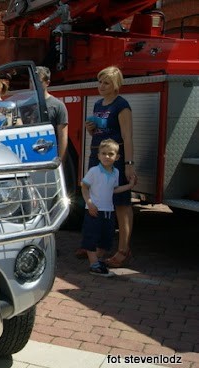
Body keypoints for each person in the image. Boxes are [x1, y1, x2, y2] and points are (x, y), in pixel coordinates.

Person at [83, 66, 136, 268]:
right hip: (97, 157)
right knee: (98, 199)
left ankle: (124, 249)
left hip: (115, 161)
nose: (101, 86)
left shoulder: (121, 105)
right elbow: (99, 133)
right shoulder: (98, 104)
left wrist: (129, 164)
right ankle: (98, 246)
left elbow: (127, 137)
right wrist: (91, 130)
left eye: (106, 83)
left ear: (115, 85)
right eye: (100, 81)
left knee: (121, 203)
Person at [80, 139, 136, 276]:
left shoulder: (116, 172)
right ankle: (94, 265)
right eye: (103, 153)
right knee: (91, 237)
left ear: (117, 157)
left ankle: (98, 261)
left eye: (110, 154)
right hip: (94, 211)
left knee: (106, 239)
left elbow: (113, 189)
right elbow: (84, 187)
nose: (107, 156)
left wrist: (129, 186)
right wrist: (89, 203)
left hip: (108, 212)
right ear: (98, 155)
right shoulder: (94, 171)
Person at [36, 66, 68, 161]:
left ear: (47, 83)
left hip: (49, 154)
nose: (33, 85)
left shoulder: (58, 105)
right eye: (31, 81)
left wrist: (59, 160)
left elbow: (63, 136)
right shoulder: (25, 105)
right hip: (30, 154)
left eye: (38, 82)